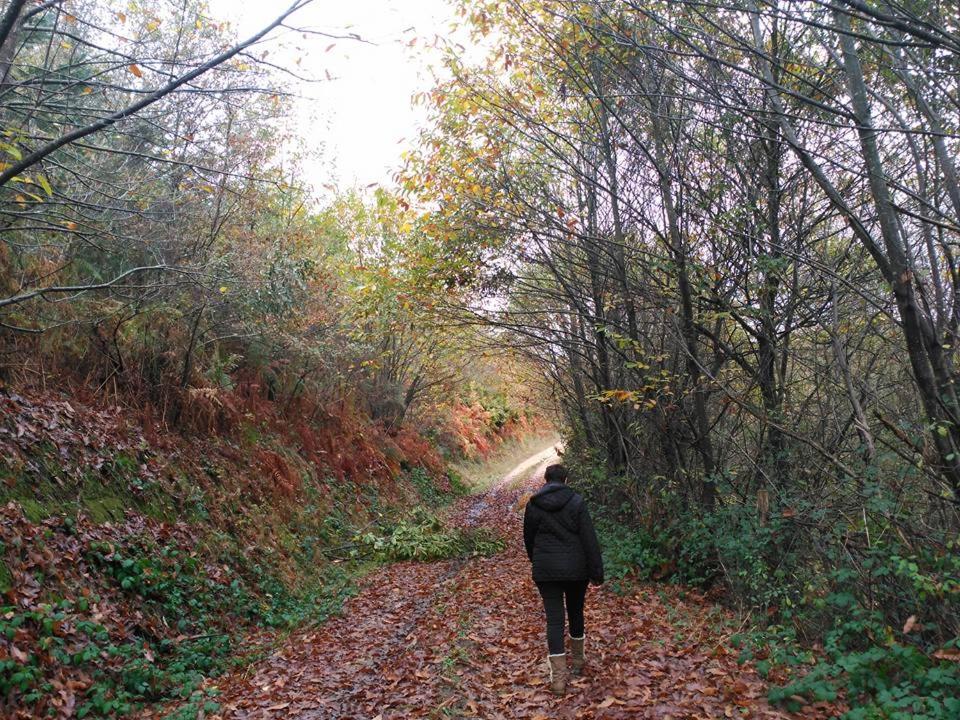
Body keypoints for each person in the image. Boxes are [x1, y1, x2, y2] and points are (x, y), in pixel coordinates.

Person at [523, 463, 604, 695]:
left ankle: (558, 680)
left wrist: (537, 560)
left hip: (546, 570)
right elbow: (589, 539)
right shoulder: (577, 502)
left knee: (554, 620)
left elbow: (529, 538)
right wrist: (596, 571)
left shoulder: (534, 504)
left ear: (546, 481)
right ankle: (578, 662)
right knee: (576, 611)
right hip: (576, 569)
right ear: (566, 480)